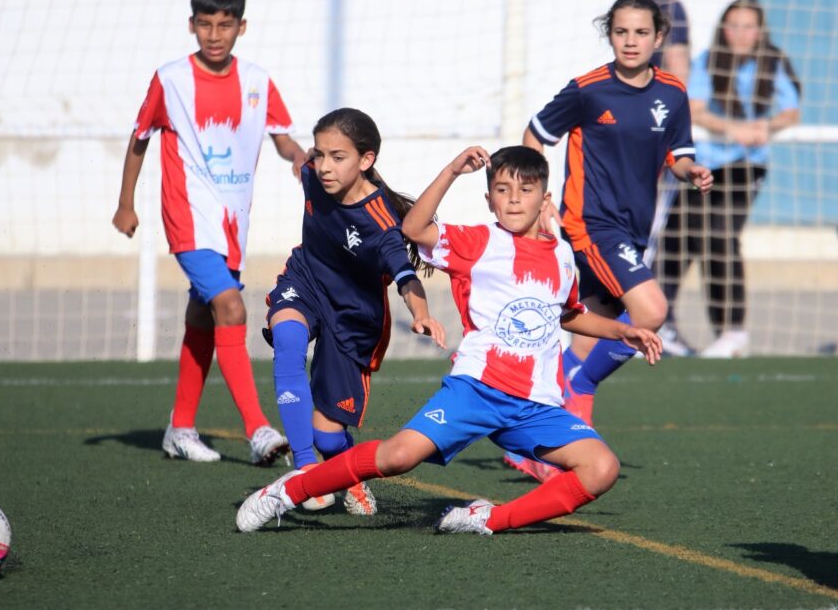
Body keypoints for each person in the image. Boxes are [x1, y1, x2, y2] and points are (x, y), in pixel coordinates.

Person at [235, 145, 663, 535]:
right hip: (476, 389)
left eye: (526, 189)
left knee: (601, 468)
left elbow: (568, 313)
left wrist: (623, 330)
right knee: (397, 457)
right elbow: (415, 227)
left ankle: (487, 518)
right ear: (489, 199)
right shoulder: (478, 242)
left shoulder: (562, 255)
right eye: (502, 188)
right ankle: (286, 492)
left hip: (536, 405)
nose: (514, 198)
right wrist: (453, 170)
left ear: (545, 199)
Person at [510, 0, 713, 481]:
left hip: (634, 229)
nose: (630, 41)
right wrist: (539, 199)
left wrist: (691, 172)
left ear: (659, 37)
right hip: (591, 225)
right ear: (610, 34)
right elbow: (534, 133)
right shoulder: (588, 89)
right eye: (621, 32)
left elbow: (677, 153)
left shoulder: (672, 93)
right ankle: (581, 389)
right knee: (651, 312)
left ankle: (528, 446)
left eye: (641, 32)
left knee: (584, 334)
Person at [112, 0, 306, 464]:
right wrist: (126, 203)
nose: (214, 35)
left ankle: (179, 428)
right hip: (187, 217)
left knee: (202, 316)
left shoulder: (257, 82)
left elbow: (281, 136)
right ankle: (258, 429)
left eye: (224, 25)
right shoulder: (171, 79)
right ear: (192, 26)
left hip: (231, 223)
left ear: (242, 26)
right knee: (231, 307)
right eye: (205, 25)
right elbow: (140, 138)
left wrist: (302, 159)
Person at [265, 107, 446, 515]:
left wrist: (421, 312)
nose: (324, 166)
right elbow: (298, 159)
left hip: (354, 318)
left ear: (366, 161)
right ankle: (304, 469)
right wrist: (285, 141)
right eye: (319, 154)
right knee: (288, 339)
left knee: (329, 436)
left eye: (337, 157)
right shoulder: (313, 173)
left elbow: (405, 275)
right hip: (306, 281)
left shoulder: (380, 223)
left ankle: (348, 473)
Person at [659, 0, 800, 358]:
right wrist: (733, 128)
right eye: (733, 25)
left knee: (720, 237)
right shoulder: (708, 61)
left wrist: (764, 126)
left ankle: (731, 331)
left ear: (760, 30)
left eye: (748, 26)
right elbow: (696, 110)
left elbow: (790, 111)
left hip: (745, 166)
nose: (740, 34)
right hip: (705, 165)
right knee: (677, 240)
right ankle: (657, 321)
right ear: (724, 28)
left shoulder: (772, 63)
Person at [638, 0, 699, 355]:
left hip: (630, 135)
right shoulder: (669, 6)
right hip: (656, 138)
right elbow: (678, 77)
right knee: (647, 234)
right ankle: (644, 324)